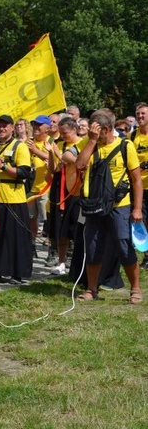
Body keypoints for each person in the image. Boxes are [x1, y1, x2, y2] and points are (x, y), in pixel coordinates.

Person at [74, 108, 142, 304]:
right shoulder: (89, 144)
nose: (91, 133)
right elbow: (79, 165)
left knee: (123, 244)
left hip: (119, 205)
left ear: (107, 128)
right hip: (94, 206)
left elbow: (136, 180)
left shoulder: (125, 146)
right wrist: (92, 141)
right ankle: (91, 289)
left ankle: (135, 288)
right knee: (94, 246)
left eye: (96, 130)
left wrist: (137, 209)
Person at [0, 114, 33, 285]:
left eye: (5, 126)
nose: (1, 129)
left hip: (14, 198)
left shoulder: (20, 147)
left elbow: (24, 172)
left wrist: (4, 167)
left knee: (14, 238)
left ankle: (16, 273)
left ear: (12, 128)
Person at [48, 116, 83, 275]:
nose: (63, 136)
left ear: (74, 129)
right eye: (61, 133)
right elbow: (53, 169)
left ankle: (79, 262)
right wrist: (51, 154)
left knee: (78, 228)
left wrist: (64, 156)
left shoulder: (82, 144)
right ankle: (62, 263)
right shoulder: (59, 144)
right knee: (62, 230)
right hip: (62, 191)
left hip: (80, 193)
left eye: (66, 133)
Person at [26, 115, 51, 255]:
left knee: (47, 220)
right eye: (35, 125)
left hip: (45, 188)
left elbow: (54, 158)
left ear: (47, 128)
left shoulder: (51, 142)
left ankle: (51, 249)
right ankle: (32, 244)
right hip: (31, 188)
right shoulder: (28, 142)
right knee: (31, 218)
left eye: (39, 125)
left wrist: (36, 151)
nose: (36, 127)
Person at [132, 102, 148, 268]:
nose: (140, 117)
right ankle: (147, 255)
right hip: (139, 187)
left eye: (143, 113)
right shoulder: (132, 136)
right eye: (138, 114)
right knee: (142, 221)